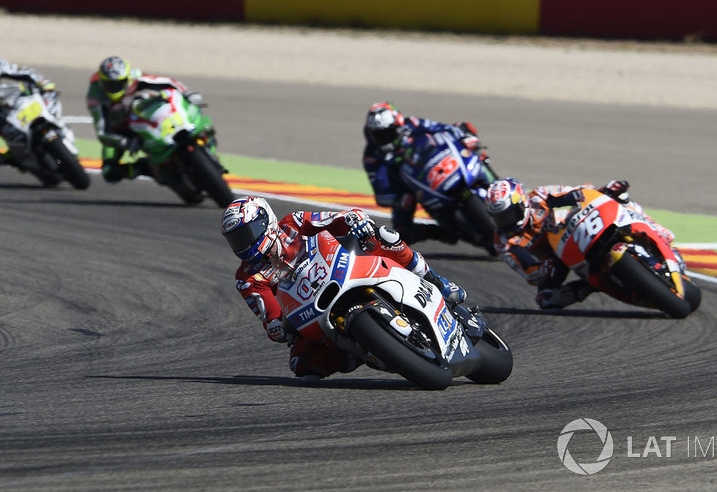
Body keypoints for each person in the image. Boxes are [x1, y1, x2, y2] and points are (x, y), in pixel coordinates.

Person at [221, 196, 467, 380]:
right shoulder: (247, 278)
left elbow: (334, 219)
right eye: (237, 240)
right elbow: (271, 320)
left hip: (344, 265)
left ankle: (435, 280)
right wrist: (279, 326)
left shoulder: (292, 223)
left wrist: (353, 219)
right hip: (312, 310)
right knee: (301, 364)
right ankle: (359, 352)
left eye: (247, 233)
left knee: (383, 236)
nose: (243, 245)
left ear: (266, 222)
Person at [485, 178, 681, 310]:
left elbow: (579, 194)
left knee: (620, 199)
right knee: (547, 300)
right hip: (555, 262)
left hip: (576, 229)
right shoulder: (503, 242)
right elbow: (529, 272)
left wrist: (604, 191)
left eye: (509, 214)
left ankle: (657, 232)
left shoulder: (542, 196)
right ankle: (591, 285)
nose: (506, 222)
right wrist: (544, 269)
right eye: (499, 217)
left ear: (523, 203)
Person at [362, 101, 493, 245]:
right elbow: (382, 192)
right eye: (378, 135)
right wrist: (398, 194)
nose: (383, 139)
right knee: (402, 232)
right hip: (409, 185)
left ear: (398, 126)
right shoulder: (372, 156)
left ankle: (496, 183)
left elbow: (442, 128)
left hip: (435, 165)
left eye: (387, 133)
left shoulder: (413, 123)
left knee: (474, 148)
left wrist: (463, 136)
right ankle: (439, 232)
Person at [86, 55, 208, 183]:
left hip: (142, 116)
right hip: (119, 132)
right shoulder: (95, 96)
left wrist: (188, 93)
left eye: (117, 84)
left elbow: (167, 81)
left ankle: (193, 127)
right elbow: (102, 132)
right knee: (109, 172)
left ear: (127, 79)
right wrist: (124, 142)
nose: (113, 88)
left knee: (172, 100)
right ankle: (146, 167)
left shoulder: (136, 77)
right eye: (108, 85)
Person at [0, 59, 60, 169]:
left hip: (20, 101)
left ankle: (55, 122)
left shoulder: (2, 66)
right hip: (5, 119)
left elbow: (24, 71)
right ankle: (15, 155)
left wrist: (44, 83)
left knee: (49, 95)